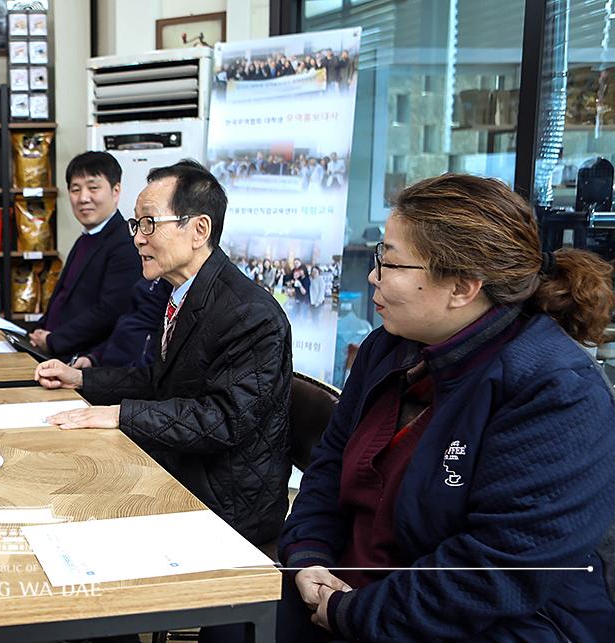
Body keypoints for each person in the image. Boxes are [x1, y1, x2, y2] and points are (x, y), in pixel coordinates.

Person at [278, 173, 615, 641]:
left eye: (391, 264)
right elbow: (329, 465)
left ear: (462, 288)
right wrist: (308, 554)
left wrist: (353, 612)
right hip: (350, 595)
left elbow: (500, 568)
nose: (373, 276)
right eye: (379, 257)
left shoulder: (556, 391)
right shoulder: (388, 347)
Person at [33, 160, 293, 547]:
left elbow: (221, 419)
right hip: (180, 466)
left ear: (198, 230)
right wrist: (83, 379)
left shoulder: (250, 315)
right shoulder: (180, 292)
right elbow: (158, 379)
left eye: (150, 223)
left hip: (225, 501)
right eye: (136, 225)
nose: (138, 238)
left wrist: (121, 414)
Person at [29, 151, 140, 360]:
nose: (83, 198)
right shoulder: (86, 238)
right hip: (52, 351)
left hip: (83, 361)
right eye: (75, 189)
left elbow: (110, 312)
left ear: (116, 191)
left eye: (93, 188)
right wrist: (38, 331)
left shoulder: (125, 242)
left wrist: (54, 340)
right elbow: (64, 298)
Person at [70, 277, 172, 369]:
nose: (141, 255)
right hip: (106, 371)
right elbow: (124, 325)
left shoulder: (175, 291)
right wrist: (94, 358)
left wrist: (90, 379)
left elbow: (146, 372)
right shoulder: (147, 280)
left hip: (124, 380)